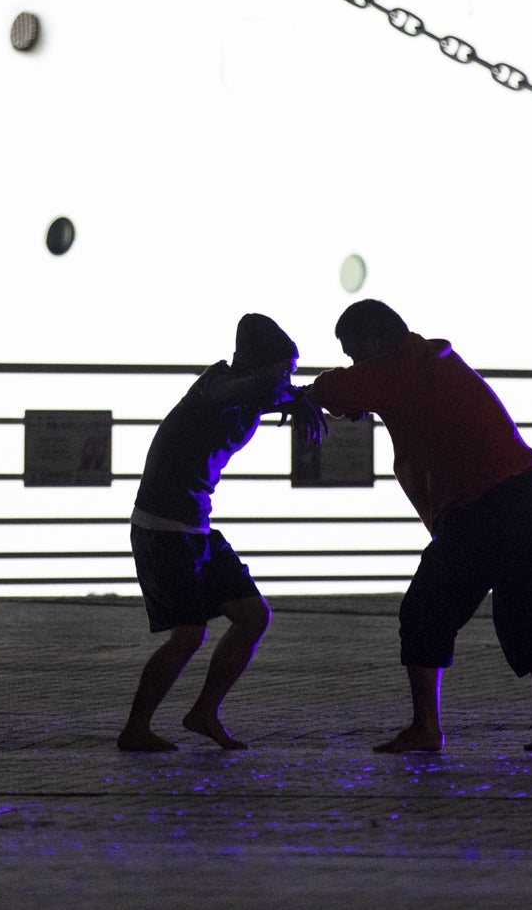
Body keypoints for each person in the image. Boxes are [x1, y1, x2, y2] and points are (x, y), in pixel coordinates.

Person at [309, 299, 532, 754]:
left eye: (354, 352)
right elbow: (362, 392)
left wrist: (308, 395)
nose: (354, 363)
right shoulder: (429, 360)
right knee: (527, 621)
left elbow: (333, 388)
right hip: (530, 497)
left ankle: (426, 728)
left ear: (374, 343)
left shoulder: (397, 368)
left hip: (485, 509)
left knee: (424, 611)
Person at [118, 313, 324, 752]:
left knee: (253, 616)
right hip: (162, 528)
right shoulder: (214, 387)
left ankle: (204, 712)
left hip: (196, 526)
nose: (287, 379)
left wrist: (332, 397)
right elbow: (247, 392)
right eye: (283, 370)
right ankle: (136, 728)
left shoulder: (254, 392)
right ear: (256, 363)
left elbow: (280, 393)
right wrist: (287, 394)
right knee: (189, 634)